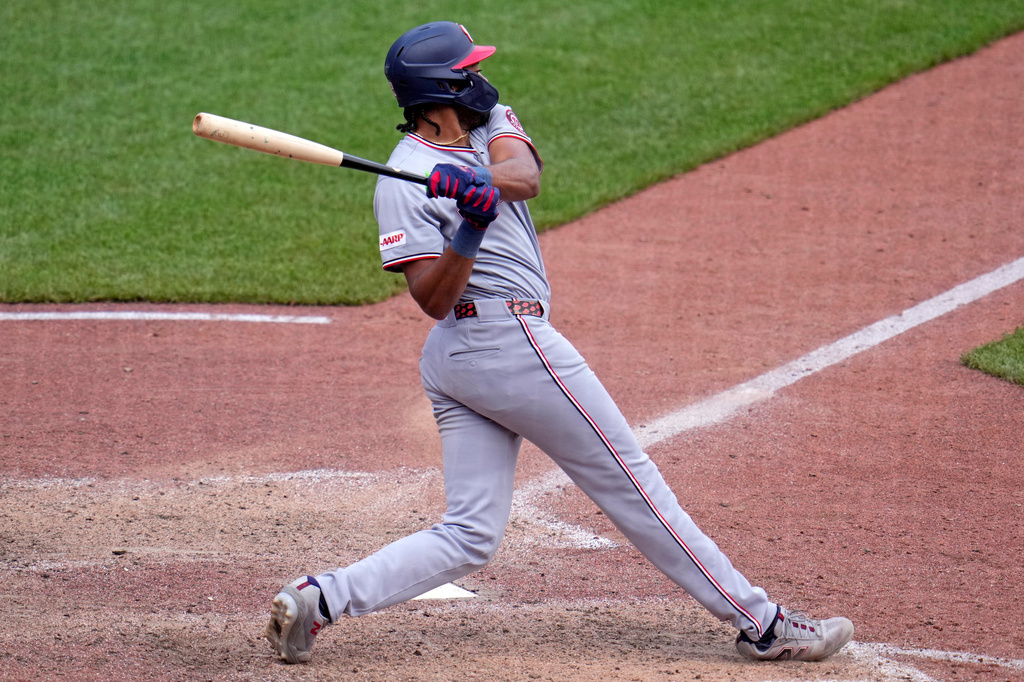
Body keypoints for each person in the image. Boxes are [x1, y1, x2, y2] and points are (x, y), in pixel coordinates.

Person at [265, 21, 854, 665]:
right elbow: (431, 299)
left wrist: (482, 187)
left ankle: (319, 599)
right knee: (633, 484)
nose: (482, 78)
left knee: (470, 534)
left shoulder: (486, 123)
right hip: (499, 341)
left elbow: (524, 175)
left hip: (473, 359)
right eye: (469, 71)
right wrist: (467, 229)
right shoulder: (402, 181)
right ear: (441, 87)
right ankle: (763, 623)